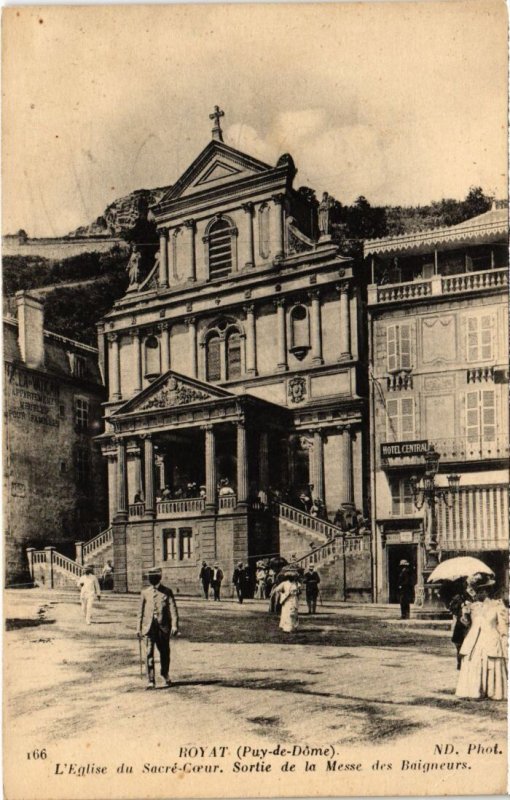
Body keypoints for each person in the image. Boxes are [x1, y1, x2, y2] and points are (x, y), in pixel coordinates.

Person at [456, 576, 508, 701]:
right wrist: (464, 615)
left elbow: (502, 625)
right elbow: (467, 624)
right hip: (475, 639)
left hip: (490, 638)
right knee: (473, 661)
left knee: (490, 660)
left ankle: (492, 691)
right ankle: (475, 690)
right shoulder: (472, 607)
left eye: (482, 590)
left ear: (488, 591)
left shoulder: (497, 606)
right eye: (477, 590)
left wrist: (505, 638)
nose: (480, 593)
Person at [137, 566, 179, 690]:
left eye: (154, 576)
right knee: (149, 653)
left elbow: (173, 609)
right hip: (148, 628)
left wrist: (175, 625)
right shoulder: (145, 593)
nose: (152, 578)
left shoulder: (167, 591)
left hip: (163, 628)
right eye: (150, 576)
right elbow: (140, 612)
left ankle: (165, 674)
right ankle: (150, 680)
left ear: (159, 577)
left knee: (164, 652)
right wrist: (138, 628)